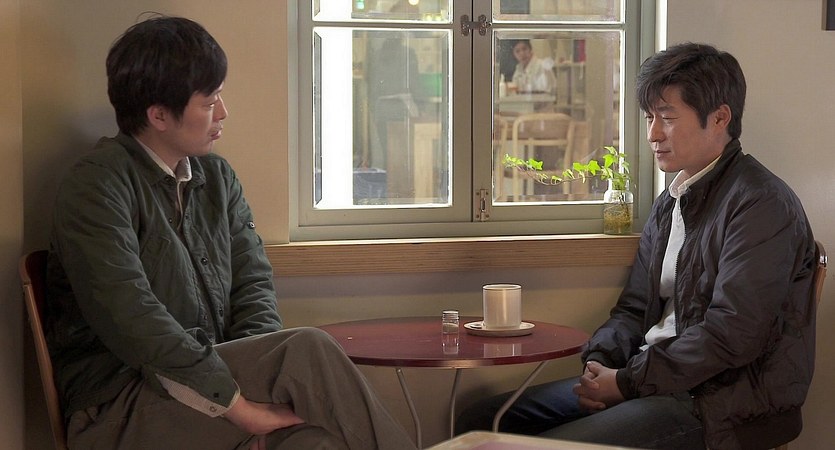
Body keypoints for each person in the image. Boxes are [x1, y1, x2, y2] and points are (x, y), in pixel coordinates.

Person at [45, 15, 416, 450]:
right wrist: (241, 409)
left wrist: (255, 387)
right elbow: (133, 318)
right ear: (159, 114)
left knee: (314, 442)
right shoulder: (97, 185)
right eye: (208, 103)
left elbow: (252, 284)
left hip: (211, 388)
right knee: (307, 348)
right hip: (118, 406)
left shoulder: (216, 178)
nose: (223, 112)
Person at [456, 42, 817, 450]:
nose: (653, 134)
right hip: (651, 378)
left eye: (668, 118)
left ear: (719, 118)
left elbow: (732, 334)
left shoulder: (761, 204)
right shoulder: (672, 201)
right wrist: (600, 363)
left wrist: (626, 383)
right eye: (649, 117)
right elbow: (633, 308)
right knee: (479, 422)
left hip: (716, 403)